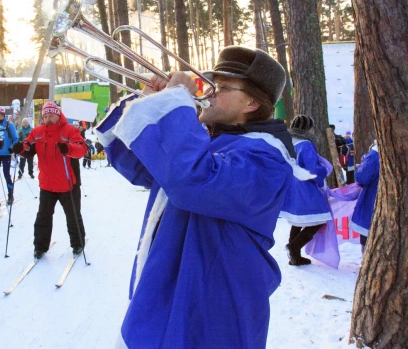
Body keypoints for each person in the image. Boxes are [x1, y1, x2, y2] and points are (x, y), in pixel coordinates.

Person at [95, 46, 312, 348]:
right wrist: (151, 101)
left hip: (214, 306)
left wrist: (175, 106)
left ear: (251, 102)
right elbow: (140, 168)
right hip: (176, 288)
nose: (207, 91)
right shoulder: (213, 144)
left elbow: (192, 179)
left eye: (221, 87)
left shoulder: (267, 159)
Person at [11, 101, 87, 259]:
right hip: (47, 184)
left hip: (68, 183)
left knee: (73, 216)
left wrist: (69, 149)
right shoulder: (37, 132)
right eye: (45, 116)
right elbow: (28, 147)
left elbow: (82, 150)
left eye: (51, 115)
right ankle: (39, 247)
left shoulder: (70, 131)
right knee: (43, 217)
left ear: (58, 115)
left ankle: (78, 244)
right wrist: (20, 149)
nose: (48, 119)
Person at [281, 115, 332, 266]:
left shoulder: (287, 142)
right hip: (305, 187)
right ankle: (294, 247)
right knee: (318, 220)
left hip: (290, 186)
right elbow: (313, 169)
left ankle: (295, 255)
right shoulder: (306, 144)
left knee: (298, 220)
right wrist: (323, 171)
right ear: (307, 128)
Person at [350, 141, 380, 251]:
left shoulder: (375, 155)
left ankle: (367, 261)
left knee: (368, 233)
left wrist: (361, 168)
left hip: (372, 198)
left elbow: (362, 177)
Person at [0, 107, 18, 205]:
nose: (0, 117)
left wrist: (12, 147)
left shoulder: (9, 125)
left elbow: (15, 138)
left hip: (6, 153)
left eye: (1, 115)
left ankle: (10, 195)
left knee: (6, 174)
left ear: (4, 115)